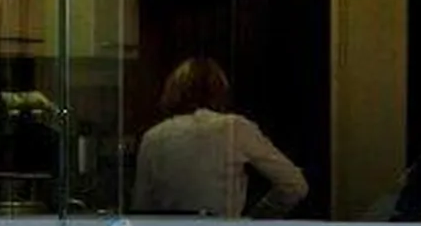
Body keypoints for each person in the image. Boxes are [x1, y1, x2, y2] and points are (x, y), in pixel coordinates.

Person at [131, 56, 308, 217]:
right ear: (220, 91)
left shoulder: (153, 137)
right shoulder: (234, 128)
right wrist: (255, 220)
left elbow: (141, 207)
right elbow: (294, 185)